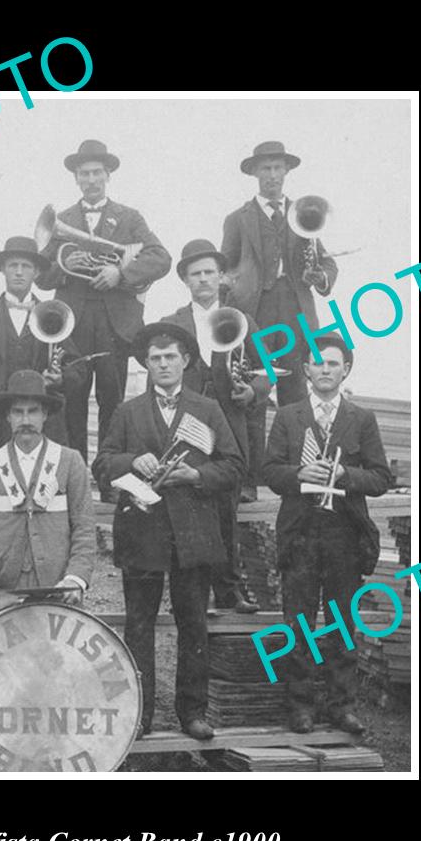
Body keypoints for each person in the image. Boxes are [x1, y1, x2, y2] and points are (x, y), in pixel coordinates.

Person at [92, 323, 244, 740]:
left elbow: (234, 466)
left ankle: (191, 713)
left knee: (193, 624)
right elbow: (101, 463)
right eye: (155, 358)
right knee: (138, 625)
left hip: (193, 537)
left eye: (170, 357)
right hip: (142, 533)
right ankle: (138, 714)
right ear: (145, 363)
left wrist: (195, 473)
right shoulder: (127, 412)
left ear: (186, 361)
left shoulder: (208, 409)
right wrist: (130, 461)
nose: (162, 364)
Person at [262, 335, 392, 735]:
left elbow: (381, 478)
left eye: (333, 364)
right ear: (305, 370)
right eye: (317, 363)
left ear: (345, 370)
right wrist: (298, 473)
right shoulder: (288, 415)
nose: (324, 370)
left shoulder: (361, 418)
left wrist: (344, 474)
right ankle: (300, 706)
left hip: (343, 534)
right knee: (298, 621)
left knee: (341, 622)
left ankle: (341, 705)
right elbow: (269, 472)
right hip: (300, 531)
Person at [38, 139, 172, 467]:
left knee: (113, 401)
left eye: (97, 172)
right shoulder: (63, 218)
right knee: (72, 400)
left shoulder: (129, 217)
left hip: (115, 325)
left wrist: (120, 272)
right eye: (84, 174)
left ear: (108, 174)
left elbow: (161, 258)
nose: (91, 179)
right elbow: (42, 276)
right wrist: (69, 268)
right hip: (73, 324)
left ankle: (110, 474)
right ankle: (74, 475)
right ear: (76, 178)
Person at [160, 239, 272, 614]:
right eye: (196, 273)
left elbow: (266, 372)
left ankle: (228, 589)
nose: (204, 279)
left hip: (229, 422)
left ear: (221, 276)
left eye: (210, 271)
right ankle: (197, 593)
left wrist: (252, 392)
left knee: (226, 508)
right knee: (190, 506)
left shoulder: (243, 319)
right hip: (187, 424)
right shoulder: (172, 324)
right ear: (185, 280)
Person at [222, 141, 339, 498]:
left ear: (286, 172)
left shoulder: (304, 214)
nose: (272, 176)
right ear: (254, 173)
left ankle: (296, 478)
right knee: (254, 393)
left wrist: (321, 277)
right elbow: (226, 268)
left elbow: (326, 262)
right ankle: (249, 481)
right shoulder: (237, 219)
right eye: (265, 169)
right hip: (254, 312)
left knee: (295, 396)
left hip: (296, 312)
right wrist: (230, 317)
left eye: (277, 169)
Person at [0, 370, 94, 597]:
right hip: (3, 587)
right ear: (7, 417)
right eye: (17, 412)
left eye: (32, 412)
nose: (25, 421)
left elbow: (84, 528)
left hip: (58, 585)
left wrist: (76, 578)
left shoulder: (70, 461)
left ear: (45, 415)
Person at [0, 236, 82, 457]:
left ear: (36, 273)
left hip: (43, 424)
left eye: (26, 266)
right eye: (13, 265)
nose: (19, 272)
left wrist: (61, 377)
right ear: (3, 270)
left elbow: (79, 370)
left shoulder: (54, 315)